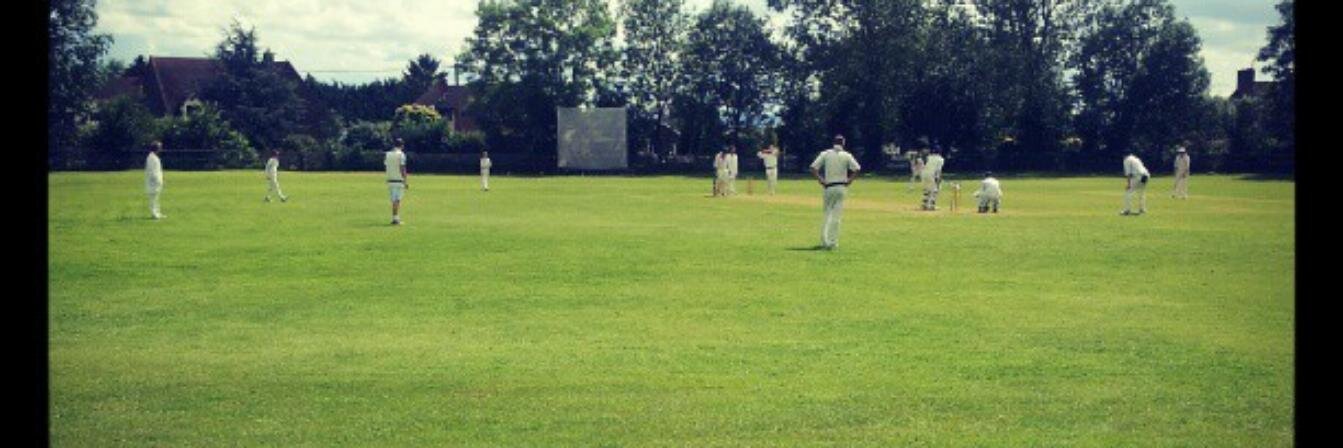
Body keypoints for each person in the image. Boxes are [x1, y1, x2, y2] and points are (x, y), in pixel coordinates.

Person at [810, 135, 862, 250]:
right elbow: (857, 168)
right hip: (841, 186)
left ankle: (824, 241)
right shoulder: (846, 155)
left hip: (829, 186)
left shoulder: (826, 154)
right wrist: (849, 180)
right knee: (837, 216)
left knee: (826, 214)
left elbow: (813, 168)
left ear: (833, 142)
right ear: (843, 143)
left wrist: (821, 180)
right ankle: (833, 242)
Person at [385, 138, 409, 225]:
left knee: (394, 200)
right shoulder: (401, 155)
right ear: (402, 145)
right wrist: (405, 180)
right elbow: (402, 168)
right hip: (399, 180)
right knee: (397, 200)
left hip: (390, 179)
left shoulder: (387, 154)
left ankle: (395, 217)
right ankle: (396, 218)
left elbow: (387, 166)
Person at [1121, 152, 1150, 216]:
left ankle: (1127, 210)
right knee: (1141, 193)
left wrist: (1128, 184)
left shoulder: (1126, 160)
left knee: (1128, 192)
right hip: (1146, 175)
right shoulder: (1136, 159)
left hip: (1138, 176)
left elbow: (1128, 173)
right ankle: (1142, 209)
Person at [921, 145, 945, 210]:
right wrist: (938, 179)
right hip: (932, 173)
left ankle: (924, 205)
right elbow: (938, 170)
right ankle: (932, 205)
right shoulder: (941, 159)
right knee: (935, 189)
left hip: (924, 173)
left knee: (926, 189)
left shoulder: (929, 157)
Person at [145, 141, 165, 219]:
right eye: (160, 147)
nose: (161, 149)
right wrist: (156, 179)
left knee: (156, 198)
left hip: (157, 181)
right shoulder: (151, 158)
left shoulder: (154, 157)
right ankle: (154, 214)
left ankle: (158, 213)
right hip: (153, 181)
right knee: (153, 198)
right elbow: (152, 170)